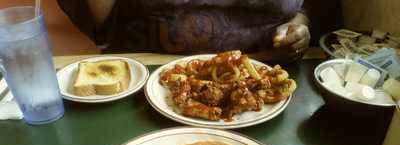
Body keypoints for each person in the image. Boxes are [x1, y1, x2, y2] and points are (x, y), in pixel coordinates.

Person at [57, 0, 311, 61]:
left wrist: (297, 29)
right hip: (149, 78)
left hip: (270, 74)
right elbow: (99, 20)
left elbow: (303, 8)